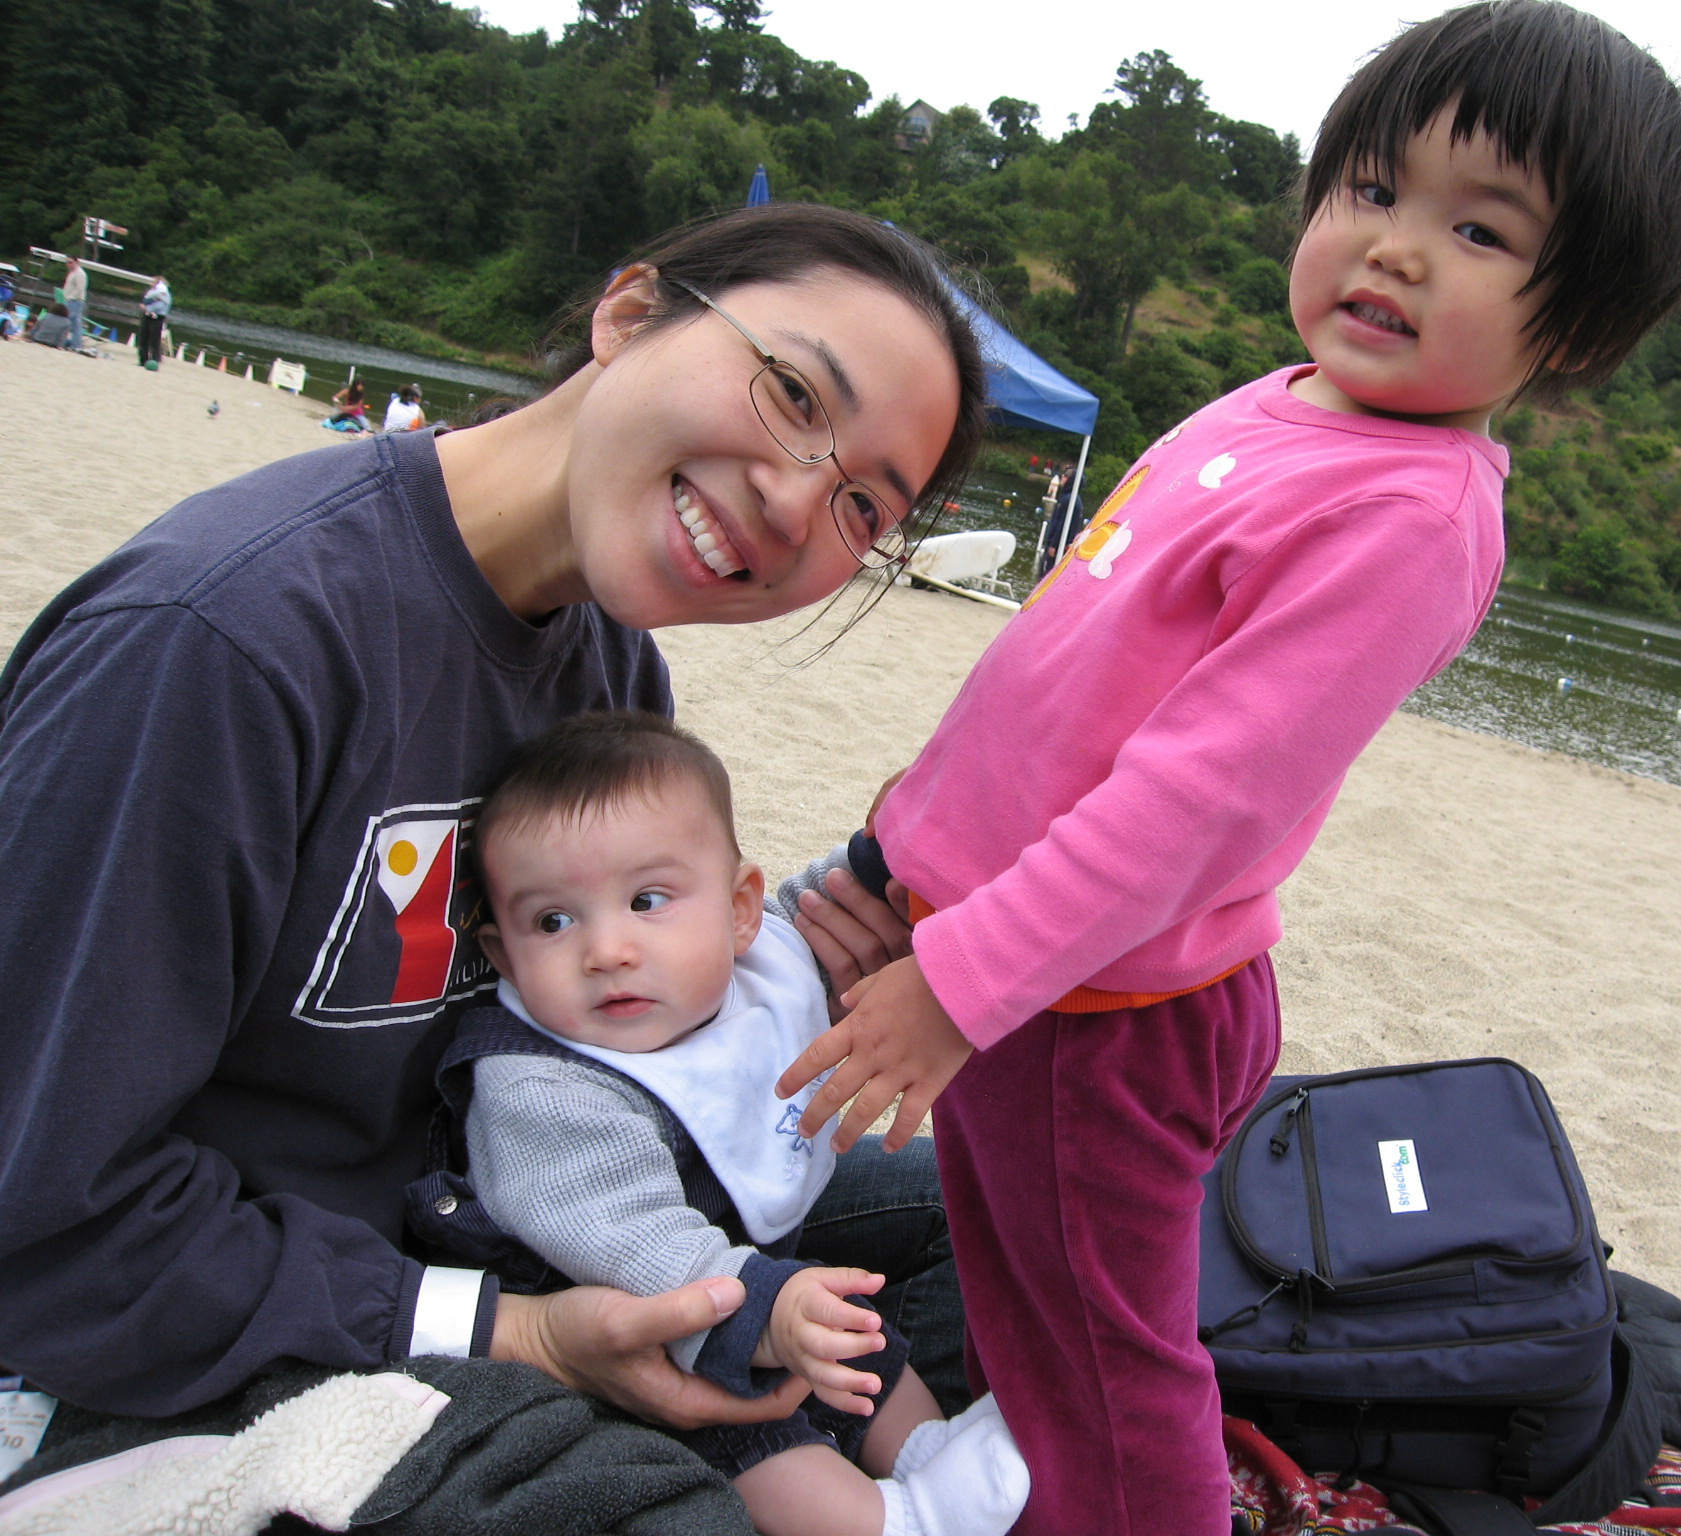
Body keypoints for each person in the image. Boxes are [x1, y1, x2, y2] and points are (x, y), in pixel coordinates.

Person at [777, 4, 1681, 1532]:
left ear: (1578, 330)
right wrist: (897, 865)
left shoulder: (1409, 519)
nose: (1396, 249)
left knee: (1109, 1356)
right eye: (1370, 190)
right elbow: (1051, 685)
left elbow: (1192, 806)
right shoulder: (1270, 410)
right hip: (1020, 959)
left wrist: (964, 981)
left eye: (1478, 229)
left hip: (1108, 1011)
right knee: (1029, 1308)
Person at [0, 203, 987, 1524]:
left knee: (986, 1211)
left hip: (471, 1208)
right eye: (792, 392)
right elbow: (46, 1226)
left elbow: (587, 1013)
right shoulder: (223, 642)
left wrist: (828, 939)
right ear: (630, 314)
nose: (800, 500)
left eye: (867, 502)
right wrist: (525, 1336)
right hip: (164, 1350)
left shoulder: (606, 664)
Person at [415, 711, 1027, 1536]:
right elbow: (637, 1246)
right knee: (749, 1419)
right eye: (552, 921)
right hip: (623, 1315)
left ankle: (926, 1452)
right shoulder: (541, 1087)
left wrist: (891, 854)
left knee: (861, 1336)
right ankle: (893, 1522)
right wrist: (771, 1312)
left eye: (648, 900)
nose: (607, 948)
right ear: (501, 951)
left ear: (739, 910)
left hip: (744, 1266)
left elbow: (822, 915)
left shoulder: (753, 956)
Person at [138, 274, 171, 369]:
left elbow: (161, 305)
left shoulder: (164, 293)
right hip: (147, 316)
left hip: (157, 317)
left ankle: (154, 361)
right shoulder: (151, 292)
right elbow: (145, 300)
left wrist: (147, 307)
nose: (151, 284)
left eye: (153, 282)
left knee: (154, 340)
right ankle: (142, 360)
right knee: (143, 339)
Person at [61, 256, 86, 351]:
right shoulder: (72, 273)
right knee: (74, 323)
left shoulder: (80, 273)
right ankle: (75, 344)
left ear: (76, 262)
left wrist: (70, 297)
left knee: (72, 323)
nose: (68, 264)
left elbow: (80, 288)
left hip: (75, 301)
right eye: (67, 262)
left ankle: (75, 344)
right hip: (69, 300)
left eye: (70, 262)